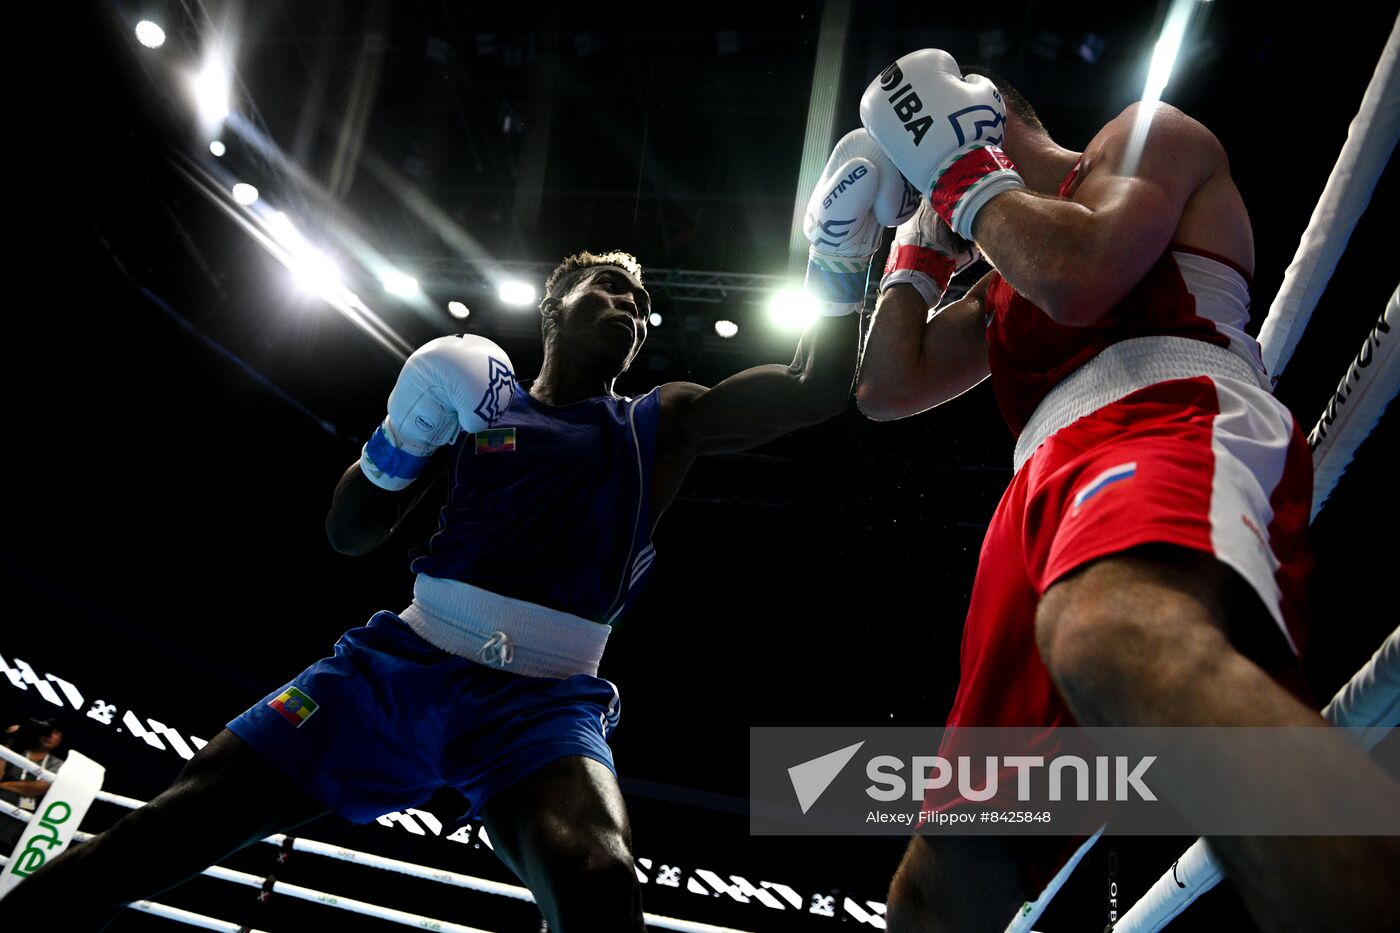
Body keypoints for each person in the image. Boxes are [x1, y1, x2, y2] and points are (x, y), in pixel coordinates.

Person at [2, 129, 914, 929]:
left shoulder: (657, 422)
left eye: (641, 307)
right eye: (610, 292)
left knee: (599, 880)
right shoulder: (477, 403)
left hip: (542, 707)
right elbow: (350, 536)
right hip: (399, 667)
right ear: (555, 306)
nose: (631, 311)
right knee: (159, 832)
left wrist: (838, 256)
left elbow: (813, 389)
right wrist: (398, 445)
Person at [856, 50, 1400, 933]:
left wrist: (961, 176)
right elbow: (885, 388)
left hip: (1163, 417)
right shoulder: (1004, 275)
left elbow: (1082, 274)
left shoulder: (1141, 140)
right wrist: (913, 258)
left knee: (1111, 633)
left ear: (983, 111)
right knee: (935, 898)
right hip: (1039, 496)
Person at [0, 718, 65, 852]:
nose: (49, 735)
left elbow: (39, 788)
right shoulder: (16, 751)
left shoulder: (58, 764)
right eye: (47, 731)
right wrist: (6, 742)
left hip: (16, 830)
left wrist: (3, 785)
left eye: (56, 732)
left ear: (61, 739)